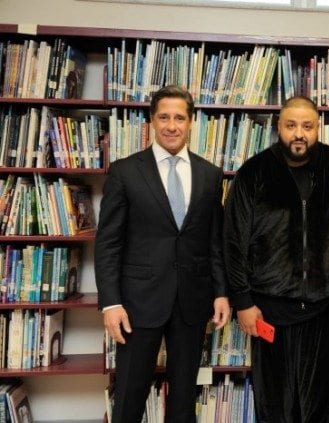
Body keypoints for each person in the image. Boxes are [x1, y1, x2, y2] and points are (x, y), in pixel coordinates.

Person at [223, 95, 329, 423]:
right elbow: (233, 241)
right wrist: (243, 301)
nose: (299, 134)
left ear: (318, 128)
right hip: (269, 309)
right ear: (278, 127)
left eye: (307, 126)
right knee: (276, 407)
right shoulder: (253, 173)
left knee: (324, 408)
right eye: (291, 125)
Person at [95, 85, 230, 422]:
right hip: (137, 303)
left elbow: (214, 239)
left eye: (180, 118)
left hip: (192, 301)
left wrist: (221, 292)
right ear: (152, 122)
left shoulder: (210, 174)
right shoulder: (125, 171)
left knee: (183, 396)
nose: (172, 125)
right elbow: (108, 241)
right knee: (130, 392)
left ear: (191, 122)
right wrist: (111, 303)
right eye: (165, 117)